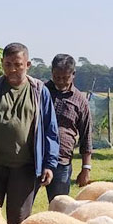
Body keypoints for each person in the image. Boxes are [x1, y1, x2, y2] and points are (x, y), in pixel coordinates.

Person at [0, 42, 59, 224]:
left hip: (25, 169)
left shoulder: (39, 91)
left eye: (17, 64)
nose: (12, 69)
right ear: (2, 64)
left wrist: (49, 164)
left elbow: (50, 131)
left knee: (18, 221)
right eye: (7, 64)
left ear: (28, 64)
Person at [45, 54, 92, 202]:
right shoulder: (40, 92)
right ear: (51, 72)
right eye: (56, 77)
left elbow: (86, 136)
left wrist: (86, 168)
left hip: (62, 162)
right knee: (23, 207)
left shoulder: (80, 100)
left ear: (73, 75)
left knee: (60, 206)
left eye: (65, 78)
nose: (60, 82)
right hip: (35, 159)